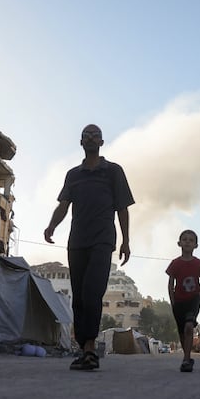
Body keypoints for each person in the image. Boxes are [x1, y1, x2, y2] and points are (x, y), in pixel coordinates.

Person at [44, 124, 134, 371]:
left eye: (96, 135)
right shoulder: (73, 175)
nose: (91, 137)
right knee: (79, 297)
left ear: (102, 142)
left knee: (93, 292)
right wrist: (51, 226)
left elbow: (122, 208)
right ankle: (83, 347)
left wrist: (126, 240)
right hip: (77, 242)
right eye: (87, 134)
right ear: (81, 142)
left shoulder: (113, 171)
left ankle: (90, 349)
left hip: (103, 240)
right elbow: (63, 204)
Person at [166, 229, 200, 373]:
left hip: (193, 300)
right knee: (181, 331)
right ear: (179, 243)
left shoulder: (199, 264)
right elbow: (170, 283)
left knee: (189, 327)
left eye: (191, 240)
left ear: (196, 245)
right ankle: (187, 356)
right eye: (184, 239)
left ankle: (186, 359)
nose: (187, 242)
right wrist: (172, 300)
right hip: (178, 301)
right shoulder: (175, 264)